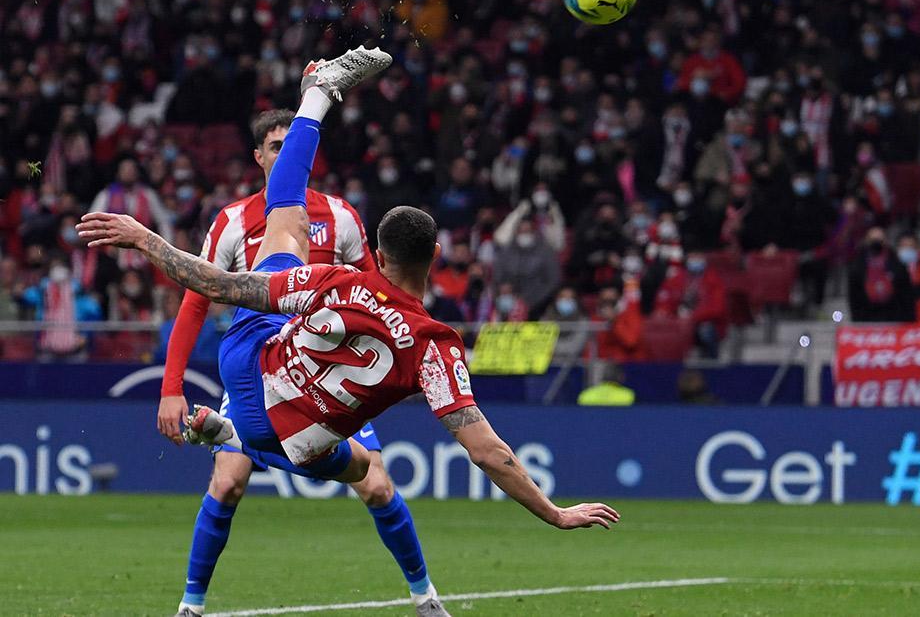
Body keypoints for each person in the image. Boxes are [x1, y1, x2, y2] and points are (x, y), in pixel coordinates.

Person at [79, 46, 618, 607]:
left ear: (376, 256)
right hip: (308, 442)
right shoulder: (438, 350)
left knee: (283, 225)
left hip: (248, 372)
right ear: (436, 254)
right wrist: (555, 513)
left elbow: (216, 288)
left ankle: (320, 93)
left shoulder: (336, 281)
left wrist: (145, 239)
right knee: (355, 464)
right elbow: (488, 453)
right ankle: (219, 509)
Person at [154, 107, 425, 617]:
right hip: (260, 369)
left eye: (289, 145)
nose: (281, 154)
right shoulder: (233, 221)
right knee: (227, 482)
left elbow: (378, 290)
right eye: (272, 147)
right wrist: (171, 387)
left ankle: (425, 595)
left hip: (327, 376)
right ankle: (190, 606)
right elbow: (196, 301)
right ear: (258, 157)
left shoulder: (340, 216)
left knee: (377, 485)